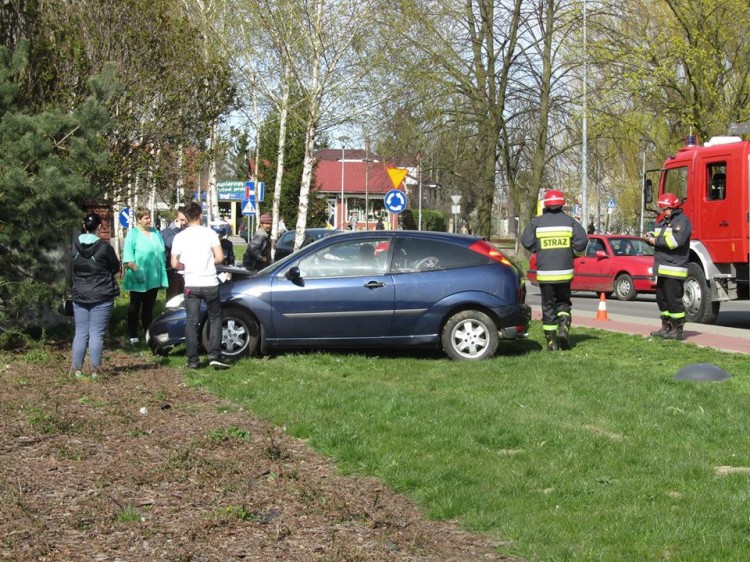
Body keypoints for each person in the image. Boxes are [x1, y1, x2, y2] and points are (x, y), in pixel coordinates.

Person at [521, 189, 588, 351]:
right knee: (563, 303)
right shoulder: (570, 222)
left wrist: (539, 250)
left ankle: (551, 343)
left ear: (546, 204)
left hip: (545, 274)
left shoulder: (537, 222)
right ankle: (564, 328)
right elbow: (583, 240)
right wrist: (573, 253)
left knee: (548, 306)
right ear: (561, 204)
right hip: (565, 273)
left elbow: (526, 241)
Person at [171, 201, 229, 369]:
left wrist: (185, 266)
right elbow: (219, 258)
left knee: (191, 321)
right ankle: (214, 355)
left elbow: (174, 263)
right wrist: (210, 262)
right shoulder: (210, 233)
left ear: (186, 218)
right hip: (210, 282)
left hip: (191, 284)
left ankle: (193, 360)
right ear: (201, 216)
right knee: (215, 318)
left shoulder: (180, 237)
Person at [70, 213, 121, 379]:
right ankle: (95, 372)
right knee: (96, 333)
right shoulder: (105, 247)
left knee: (81, 333)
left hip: (80, 295)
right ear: (99, 226)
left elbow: (73, 268)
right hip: (101, 295)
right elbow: (115, 267)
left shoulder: (74, 246)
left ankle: (76, 370)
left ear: (85, 226)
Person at [645, 193, 692, 341]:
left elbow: (674, 242)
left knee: (674, 301)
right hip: (662, 268)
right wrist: (650, 236)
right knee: (662, 299)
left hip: (674, 268)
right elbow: (660, 236)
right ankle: (666, 327)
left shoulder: (682, 222)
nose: (662, 211)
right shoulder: (664, 221)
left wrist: (655, 241)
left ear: (673, 207)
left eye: (664, 209)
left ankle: (677, 330)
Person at [121, 206, 168, 344]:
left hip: (153, 277)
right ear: (139, 219)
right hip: (138, 278)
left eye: (150, 217)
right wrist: (137, 270)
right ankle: (133, 335)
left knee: (149, 307)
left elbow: (161, 250)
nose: (149, 220)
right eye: (146, 218)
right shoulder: (133, 234)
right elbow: (128, 258)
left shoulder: (155, 232)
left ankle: (148, 334)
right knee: (135, 307)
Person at [161, 207, 187, 300]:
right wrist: (177, 230)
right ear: (176, 218)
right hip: (173, 273)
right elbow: (170, 243)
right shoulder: (167, 231)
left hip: (187, 271)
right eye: (181, 220)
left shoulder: (188, 230)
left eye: (186, 220)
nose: (184, 222)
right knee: (173, 300)